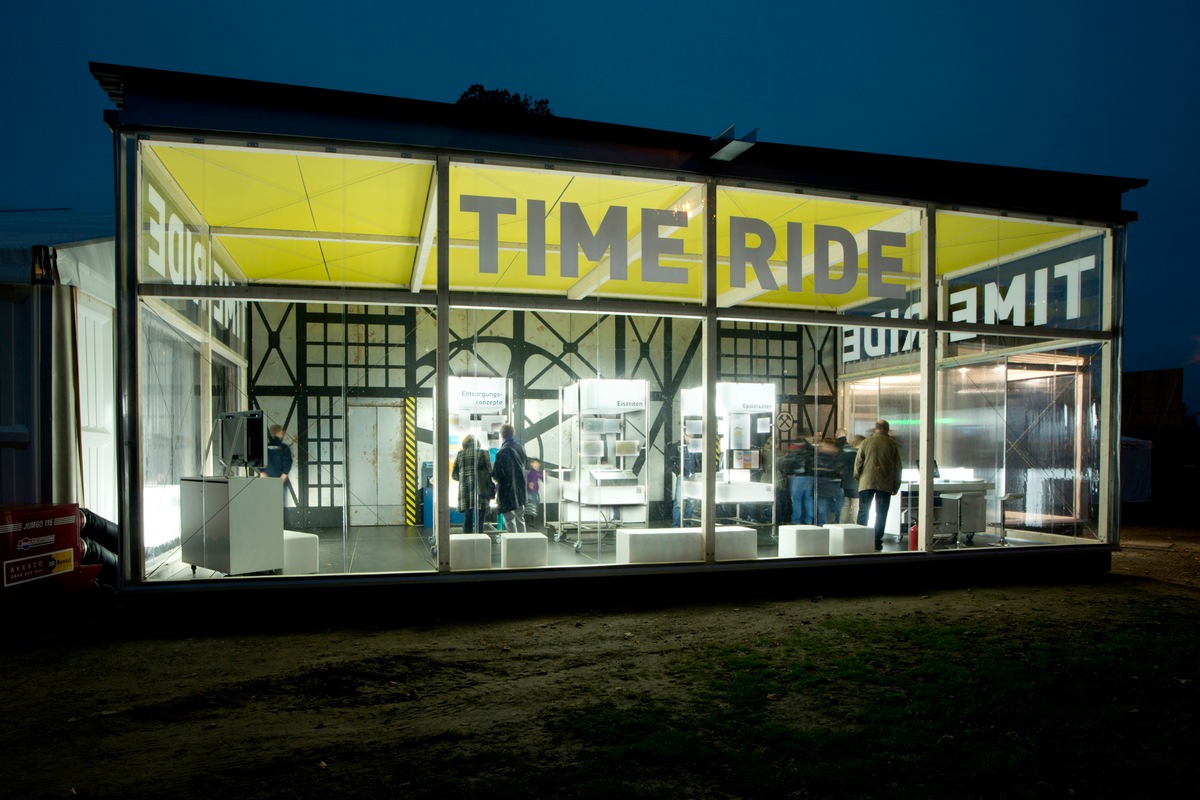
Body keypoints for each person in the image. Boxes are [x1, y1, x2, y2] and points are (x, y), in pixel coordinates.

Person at [854, 420, 903, 551]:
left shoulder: (865, 442)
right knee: (881, 513)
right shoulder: (892, 444)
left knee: (864, 511)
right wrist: (896, 485)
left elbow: (858, 462)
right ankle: (876, 541)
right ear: (887, 429)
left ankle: (860, 538)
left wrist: (858, 477)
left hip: (866, 482)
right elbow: (898, 467)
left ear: (876, 429)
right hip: (885, 483)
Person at [452, 434, 493, 533]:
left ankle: (467, 541)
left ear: (465, 443)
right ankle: (480, 540)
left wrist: (464, 479)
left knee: (468, 518)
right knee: (480, 520)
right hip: (481, 490)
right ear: (477, 443)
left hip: (466, 491)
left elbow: (454, 475)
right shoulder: (484, 453)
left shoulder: (460, 454)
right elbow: (490, 471)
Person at [492, 423, 529, 534]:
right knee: (520, 518)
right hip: (520, 488)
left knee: (509, 520)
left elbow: (497, 474)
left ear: (501, 435)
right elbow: (525, 465)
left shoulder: (501, 451)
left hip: (507, 490)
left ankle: (513, 544)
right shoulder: (520, 448)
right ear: (512, 434)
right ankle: (523, 543)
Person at [669, 434, 697, 526]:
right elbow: (669, 462)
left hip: (693, 476)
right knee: (678, 502)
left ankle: (687, 523)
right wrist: (677, 472)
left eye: (692, 436)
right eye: (689, 436)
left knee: (692, 501)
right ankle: (676, 525)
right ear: (684, 435)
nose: (691, 438)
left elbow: (699, 461)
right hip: (682, 476)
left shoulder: (696, 447)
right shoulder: (677, 446)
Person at [260, 424, 294, 499]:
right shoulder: (284, 447)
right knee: (279, 503)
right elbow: (288, 462)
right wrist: (283, 476)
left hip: (267, 478)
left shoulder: (264, 447)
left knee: (267, 501)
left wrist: (262, 472)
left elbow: (259, 461)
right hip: (280, 477)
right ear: (279, 433)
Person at [837, 435, 863, 524]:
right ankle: (854, 524)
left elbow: (838, 464)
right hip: (855, 482)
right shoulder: (858, 454)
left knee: (846, 504)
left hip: (846, 482)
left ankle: (842, 523)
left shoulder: (846, 453)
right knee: (855, 505)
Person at [525, 457, 544, 522]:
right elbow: (530, 479)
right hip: (530, 491)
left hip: (534, 491)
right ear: (531, 464)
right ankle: (530, 519)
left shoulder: (537, 472)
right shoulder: (531, 472)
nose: (536, 465)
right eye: (534, 463)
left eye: (537, 464)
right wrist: (530, 484)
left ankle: (531, 519)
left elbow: (542, 477)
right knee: (532, 503)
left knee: (535, 502)